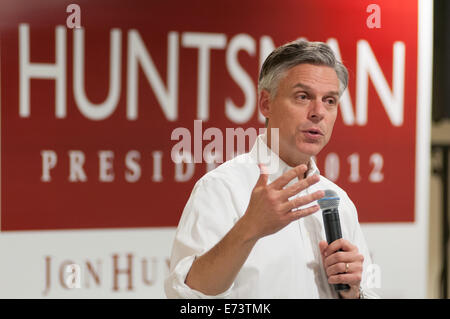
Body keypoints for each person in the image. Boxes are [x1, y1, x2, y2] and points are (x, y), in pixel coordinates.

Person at [165, 39, 379, 299]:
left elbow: (368, 292)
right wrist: (249, 229)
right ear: (266, 103)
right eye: (303, 97)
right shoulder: (221, 188)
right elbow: (188, 297)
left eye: (330, 100)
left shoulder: (338, 202)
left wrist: (354, 293)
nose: (318, 112)